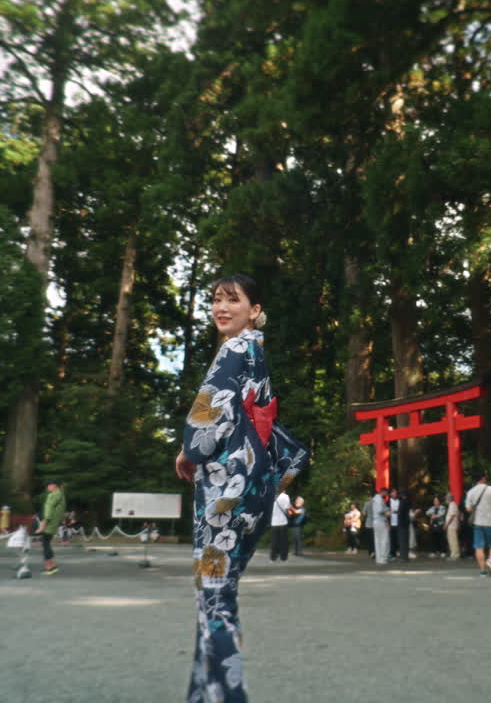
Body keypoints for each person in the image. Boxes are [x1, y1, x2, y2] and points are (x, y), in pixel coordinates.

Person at [173, 273, 310, 703]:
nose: (221, 307)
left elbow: (208, 416)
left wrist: (189, 450)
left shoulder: (234, 348)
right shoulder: (256, 352)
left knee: (214, 601)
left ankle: (230, 696)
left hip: (225, 491)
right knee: (218, 592)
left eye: (233, 300)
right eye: (216, 299)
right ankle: (202, 694)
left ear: (254, 310)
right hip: (252, 489)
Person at [465, 471, 491, 577]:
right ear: (484, 478)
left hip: (478, 523)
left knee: (478, 547)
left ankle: (482, 570)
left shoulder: (471, 492)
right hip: (490, 522)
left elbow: (468, 508)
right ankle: (490, 560)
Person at [34, 480, 66, 574]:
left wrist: (42, 525)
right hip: (55, 523)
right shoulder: (61, 495)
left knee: (45, 545)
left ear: (54, 486)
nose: (47, 487)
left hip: (49, 523)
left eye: (48, 485)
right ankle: (53, 566)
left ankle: (49, 568)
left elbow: (48, 510)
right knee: (47, 544)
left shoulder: (52, 495)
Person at [270, 488, 293, 561]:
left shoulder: (271, 496)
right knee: (284, 540)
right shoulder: (285, 497)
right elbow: (287, 509)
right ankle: (283, 557)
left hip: (274, 522)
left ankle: (273, 556)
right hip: (283, 522)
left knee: (274, 540)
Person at [372, 488, 391, 564]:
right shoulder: (379, 499)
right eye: (386, 493)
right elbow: (380, 510)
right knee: (384, 539)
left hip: (376, 520)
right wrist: (387, 510)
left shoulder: (375, 499)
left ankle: (379, 558)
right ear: (383, 492)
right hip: (381, 520)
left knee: (377, 540)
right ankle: (383, 558)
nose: (387, 495)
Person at [388, 488, 404, 561]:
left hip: (399, 522)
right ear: (390, 494)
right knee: (392, 540)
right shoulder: (388, 502)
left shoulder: (400, 501)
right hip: (391, 523)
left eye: (395, 493)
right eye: (393, 493)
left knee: (399, 539)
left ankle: (400, 553)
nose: (394, 494)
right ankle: (392, 554)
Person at [445, 493, 461, 559]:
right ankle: (453, 554)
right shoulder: (452, 505)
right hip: (452, 526)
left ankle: (455, 554)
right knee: (451, 540)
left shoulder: (452, 505)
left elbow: (452, 516)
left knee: (453, 540)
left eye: (446, 498)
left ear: (449, 499)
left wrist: (446, 524)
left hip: (452, 526)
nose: (446, 499)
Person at [361, 493, 375, 559]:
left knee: (369, 539)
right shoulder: (377, 503)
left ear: (370, 497)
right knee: (375, 539)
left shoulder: (367, 503)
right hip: (376, 523)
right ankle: (375, 551)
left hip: (368, 523)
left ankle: (370, 552)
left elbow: (363, 513)